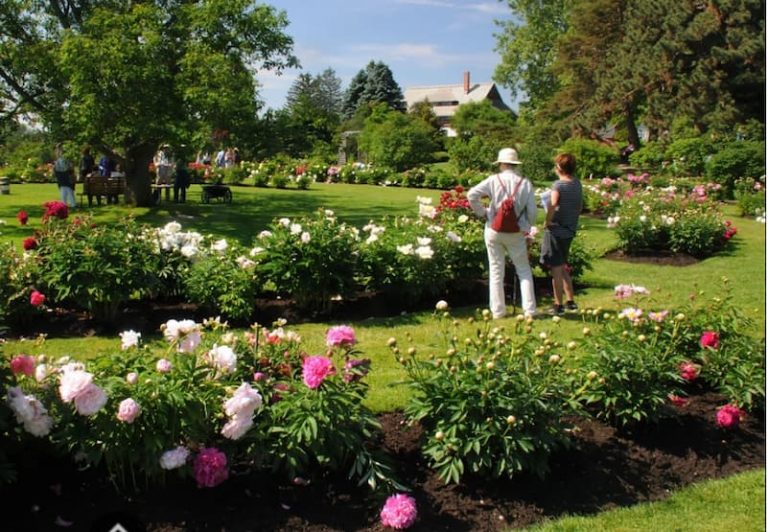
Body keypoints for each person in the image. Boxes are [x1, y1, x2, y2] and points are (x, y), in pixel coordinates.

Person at [468, 147, 538, 319]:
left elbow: (471, 195)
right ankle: (529, 310)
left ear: (500, 164)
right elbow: (533, 212)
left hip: (494, 228)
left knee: (496, 270)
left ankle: (498, 311)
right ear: (515, 164)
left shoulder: (493, 180)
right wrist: (527, 227)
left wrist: (483, 212)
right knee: (523, 270)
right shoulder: (525, 183)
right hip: (516, 231)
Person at [540, 153, 583, 316]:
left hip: (556, 231)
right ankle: (570, 301)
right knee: (563, 266)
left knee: (556, 270)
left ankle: (558, 305)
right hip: (569, 230)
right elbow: (579, 207)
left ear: (559, 167)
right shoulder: (577, 183)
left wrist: (547, 221)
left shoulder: (558, 185)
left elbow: (553, 204)